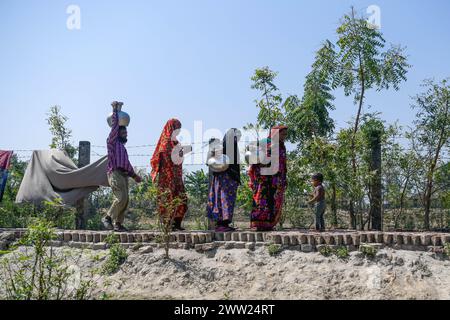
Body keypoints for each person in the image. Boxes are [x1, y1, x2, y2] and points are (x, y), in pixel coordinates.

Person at [103, 101, 142, 232]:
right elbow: (114, 128)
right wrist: (115, 111)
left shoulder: (122, 148)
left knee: (125, 200)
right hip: (114, 173)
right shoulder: (112, 142)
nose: (126, 135)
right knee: (120, 198)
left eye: (126, 133)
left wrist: (134, 176)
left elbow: (126, 165)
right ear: (117, 134)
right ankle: (108, 217)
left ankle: (118, 224)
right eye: (123, 133)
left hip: (123, 174)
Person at [151, 119, 188, 231]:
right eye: (177, 129)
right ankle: (168, 225)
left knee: (182, 200)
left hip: (176, 177)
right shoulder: (166, 142)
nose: (178, 131)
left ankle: (176, 224)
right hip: (167, 178)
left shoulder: (175, 142)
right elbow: (170, 158)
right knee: (168, 200)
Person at [249, 125, 288, 231]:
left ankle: (269, 224)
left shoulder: (282, 146)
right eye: (283, 134)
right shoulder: (265, 143)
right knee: (261, 201)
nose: (285, 136)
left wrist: (284, 178)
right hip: (263, 179)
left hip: (276, 179)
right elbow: (255, 159)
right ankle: (258, 224)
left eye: (285, 134)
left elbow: (283, 163)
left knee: (273, 201)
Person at [206, 129, 241, 232]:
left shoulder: (231, 149)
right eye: (235, 138)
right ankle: (221, 224)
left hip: (229, 180)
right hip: (225, 181)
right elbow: (212, 163)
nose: (237, 140)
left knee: (227, 201)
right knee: (224, 200)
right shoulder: (220, 150)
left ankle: (224, 224)